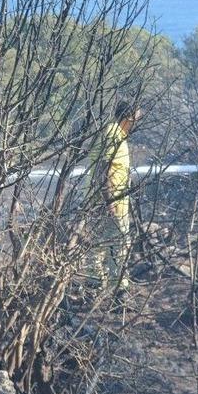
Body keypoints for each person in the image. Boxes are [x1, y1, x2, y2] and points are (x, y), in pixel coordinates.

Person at [87, 101, 141, 293]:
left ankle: (94, 286)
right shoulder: (113, 135)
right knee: (119, 246)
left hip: (103, 200)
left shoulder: (114, 134)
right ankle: (120, 292)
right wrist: (109, 201)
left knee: (97, 246)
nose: (135, 124)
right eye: (135, 119)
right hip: (111, 202)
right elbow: (103, 169)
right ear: (128, 118)